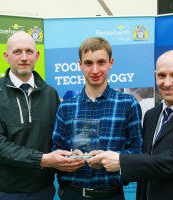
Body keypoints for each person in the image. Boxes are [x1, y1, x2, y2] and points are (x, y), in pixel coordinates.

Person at [88, 50, 173, 200]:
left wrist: (120, 161)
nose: (167, 83)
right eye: (161, 75)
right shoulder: (152, 115)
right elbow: (147, 159)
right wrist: (103, 159)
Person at [0, 31, 83, 200]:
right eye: (17, 52)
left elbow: (57, 140)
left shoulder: (50, 94)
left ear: (37, 55)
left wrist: (71, 157)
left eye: (29, 51)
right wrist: (43, 159)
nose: (24, 57)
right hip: (1, 192)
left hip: (42, 191)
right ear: (6, 56)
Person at [52, 37, 143, 199]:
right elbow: (55, 150)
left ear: (111, 63)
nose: (95, 70)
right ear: (80, 65)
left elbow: (137, 151)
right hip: (73, 193)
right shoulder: (66, 107)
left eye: (101, 62)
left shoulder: (128, 104)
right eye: (88, 63)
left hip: (112, 194)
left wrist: (113, 159)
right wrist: (69, 158)